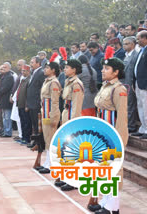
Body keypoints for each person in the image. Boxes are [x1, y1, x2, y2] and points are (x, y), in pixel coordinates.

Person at [89, 46, 128, 214]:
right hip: (102, 135)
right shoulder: (105, 86)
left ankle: (113, 207)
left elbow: (122, 117)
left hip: (113, 135)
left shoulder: (119, 89)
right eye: (103, 68)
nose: (103, 71)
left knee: (114, 170)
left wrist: (118, 140)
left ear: (116, 72)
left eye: (107, 68)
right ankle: (105, 202)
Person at [57, 57, 84, 191]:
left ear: (74, 70)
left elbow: (77, 105)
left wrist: (73, 123)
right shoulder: (68, 82)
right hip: (65, 114)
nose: (65, 69)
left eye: (67, 67)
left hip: (71, 116)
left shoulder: (76, 84)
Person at [38, 53, 62, 174]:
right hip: (45, 113)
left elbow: (55, 101)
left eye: (47, 68)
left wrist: (54, 116)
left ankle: (51, 164)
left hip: (50, 113)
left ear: (53, 70)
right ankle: (48, 162)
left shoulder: (54, 83)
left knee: (51, 139)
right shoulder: (47, 81)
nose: (45, 69)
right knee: (47, 139)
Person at [26, 56, 45, 148]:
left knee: (38, 124)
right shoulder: (34, 72)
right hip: (31, 103)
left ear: (38, 63)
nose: (31, 64)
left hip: (36, 102)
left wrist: (39, 101)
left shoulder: (41, 73)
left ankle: (39, 143)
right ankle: (36, 142)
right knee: (34, 123)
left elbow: (41, 88)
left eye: (32, 62)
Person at [132, 30, 147, 139]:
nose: (137, 41)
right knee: (140, 106)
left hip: (145, 83)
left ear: (145, 38)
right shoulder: (141, 51)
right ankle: (143, 128)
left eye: (139, 38)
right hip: (138, 83)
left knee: (146, 107)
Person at [122, 36, 139, 133]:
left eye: (126, 44)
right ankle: (127, 125)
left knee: (131, 106)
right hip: (125, 84)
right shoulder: (126, 55)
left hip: (132, 85)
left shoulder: (136, 55)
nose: (124, 46)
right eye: (124, 44)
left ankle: (131, 127)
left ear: (133, 44)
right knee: (126, 106)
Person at [16, 65, 32, 145]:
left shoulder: (29, 80)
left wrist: (27, 105)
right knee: (22, 121)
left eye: (24, 71)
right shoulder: (22, 79)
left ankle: (26, 138)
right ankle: (23, 137)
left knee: (26, 122)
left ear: (28, 72)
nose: (22, 72)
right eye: (22, 71)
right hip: (20, 104)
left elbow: (28, 94)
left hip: (24, 105)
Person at [0, 62, 14, 137]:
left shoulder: (9, 76)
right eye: (3, 67)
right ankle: (5, 130)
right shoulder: (3, 76)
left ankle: (8, 132)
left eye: (5, 67)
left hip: (6, 99)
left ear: (9, 68)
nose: (3, 69)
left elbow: (5, 88)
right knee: (4, 116)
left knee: (7, 117)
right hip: (2, 99)